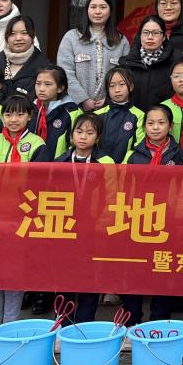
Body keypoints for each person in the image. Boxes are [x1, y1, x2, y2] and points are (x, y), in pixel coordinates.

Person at [0, 95, 49, 355]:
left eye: (20, 114)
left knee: (14, 276)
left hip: (22, 218)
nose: (13, 119)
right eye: (8, 114)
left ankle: (10, 330)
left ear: (29, 116)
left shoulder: (38, 144)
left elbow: (41, 182)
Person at [122, 105, 181, 326]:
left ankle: (159, 322)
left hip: (168, 222)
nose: (156, 127)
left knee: (162, 270)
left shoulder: (181, 155)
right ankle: (132, 321)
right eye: (150, 123)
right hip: (138, 219)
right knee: (133, 271)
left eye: (161, 123)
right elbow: (123, 187)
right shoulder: (133, 155)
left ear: (170, 126)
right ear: (144, 126)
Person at [54, 112, 115, 325]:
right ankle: (63, 323)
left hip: (93, 230)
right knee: (64, 277)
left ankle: (86, 323)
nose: (83, 137)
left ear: (98, 138)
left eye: (90, 133)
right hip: (65, 229)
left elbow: (112, 196)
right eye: (79, 131)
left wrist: (103, 224)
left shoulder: (105, 162)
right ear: (71, 134)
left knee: (90, 278)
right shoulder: (60, 161)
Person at [57, 0, 129, 113]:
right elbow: (65, 72)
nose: (98, 11)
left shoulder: (121, 41)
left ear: (110, 11)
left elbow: (126, 75)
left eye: (103, 7)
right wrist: (83, 99)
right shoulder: (71, 37)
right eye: (93, 7)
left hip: (111, 109)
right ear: (87, 10)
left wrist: (108, 99)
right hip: (75, 107)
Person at [116, 14, 177, 110]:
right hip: (132, 118)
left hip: (162, 118)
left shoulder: (174, 65)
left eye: (155, 33)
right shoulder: (126, 64)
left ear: (164, 37)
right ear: (140, 36)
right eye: (145, 32)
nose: (150, 37)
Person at [0, 15, 51, 102]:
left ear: (33, 36)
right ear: (6, 37)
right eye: (12, 34)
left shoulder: (45, 67)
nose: (18, 38)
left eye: (24, 33)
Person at [94, 67, 146, 164]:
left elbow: (140, 146)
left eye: (122, 84)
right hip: (98, 167)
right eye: (111, 86)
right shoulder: (97, 115)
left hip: (126, 168)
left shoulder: (139, 116)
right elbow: (90, 143)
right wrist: (103, 161)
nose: (117, 90)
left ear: (131, 87)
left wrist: (124, 164)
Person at [30, 65, 77, 160]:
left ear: (60, 88)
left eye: (47, 84)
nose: (41, 89)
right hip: (29, 165)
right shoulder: (29, 109)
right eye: (38, 83)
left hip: (58, 166)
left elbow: (75, 147)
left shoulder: (71, 112)